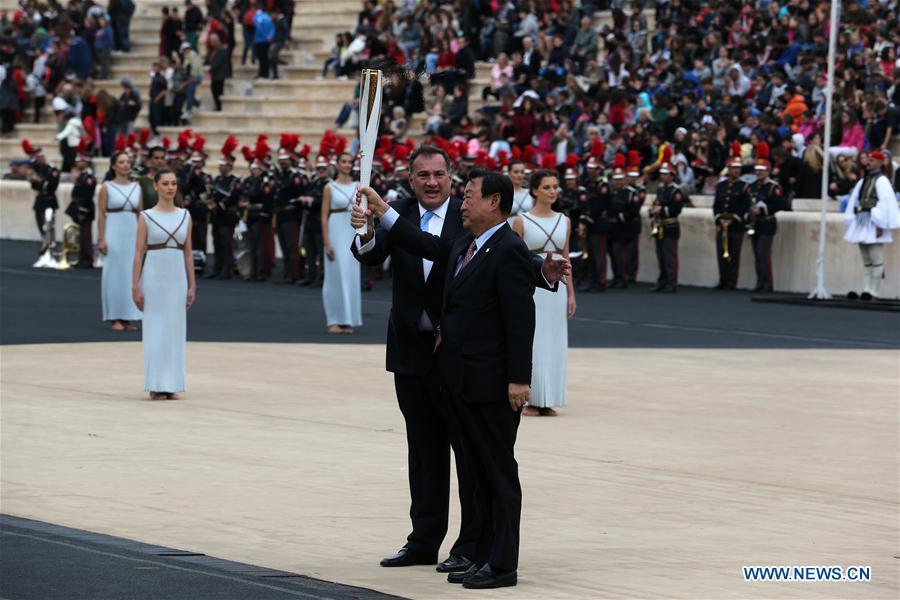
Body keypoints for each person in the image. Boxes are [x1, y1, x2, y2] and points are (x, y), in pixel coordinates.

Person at [355, 169, 568, 589]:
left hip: (492, 384)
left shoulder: (504, 246)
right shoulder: (467, 245)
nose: (462, 203)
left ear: (494, 202)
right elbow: (424, 244)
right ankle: (484, 553)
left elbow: (520, 318)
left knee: (497, 474)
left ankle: (503, 564)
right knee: (476, 472)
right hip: (462, 381)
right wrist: (382, 210)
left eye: (469, 196)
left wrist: (518, 380)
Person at [512, 169, 576, 417]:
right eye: (547, 187)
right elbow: (514, 258)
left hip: (557, 289)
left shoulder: (565, 220)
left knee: (554, 342)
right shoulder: (521, 221)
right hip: (533, 285)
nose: (553, 191)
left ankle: (550, 398)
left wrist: (570, 294)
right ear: (535, 190)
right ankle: (533, 397)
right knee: (534, 340)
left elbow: (567, 257)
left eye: (555, 187)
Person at [132, 168, 196, 400]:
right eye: (165, 183)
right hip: (153, 276)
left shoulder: (185, 215)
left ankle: (172, 383)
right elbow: (138, 253)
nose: (170, 187)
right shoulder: (146, 217)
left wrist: (192, 285)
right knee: (155, 329)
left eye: (173, 183)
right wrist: (135, 286)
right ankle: (156, 384)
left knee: (175, 330)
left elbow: (188, 253)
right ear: (156, 186)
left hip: (177, 276)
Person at [842, 151, 900, 300]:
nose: (868, 163)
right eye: (868, 160)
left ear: (880, 163)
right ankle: (867, 289)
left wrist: (881, 224)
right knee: (867, 259)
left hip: (874, 222)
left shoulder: (882, 181)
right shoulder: (863, 180)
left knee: (876, 258)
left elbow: (886, 204)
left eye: (872, 160)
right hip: (862, 220)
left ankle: (875, 291)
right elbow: (856, 199)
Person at [98, 151, 143, 331]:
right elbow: (101, 215)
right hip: (113, 231)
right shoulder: (106, 187)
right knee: (114, 274)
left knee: (130, 274)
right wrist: (101, 238)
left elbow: (141, 214)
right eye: (121, 162)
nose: (125, 165)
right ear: (114, 166)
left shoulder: (137, 187)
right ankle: (115, 316)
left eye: (127, 162)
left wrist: (143, 238)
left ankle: (128, 316)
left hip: (131, 231)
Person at [321, 152, 361, 333]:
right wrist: (326, 242)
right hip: (335, 232)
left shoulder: (358, 186)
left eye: (349, 162)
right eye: (343, 161)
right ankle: (334, 319)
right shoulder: (329, 187)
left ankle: (348, 320)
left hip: (352, 233)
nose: (346, 164)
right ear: (337, 164)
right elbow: (323, 217)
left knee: (351, 276)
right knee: (335, 276)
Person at [747, 159, 787, 293]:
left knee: (763, 253)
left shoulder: (773, 187)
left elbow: (781, 204)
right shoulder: (752, 186)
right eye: (757, 170)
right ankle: (760, 282)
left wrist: (763, 210)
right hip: (755, 223)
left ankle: (768, 284)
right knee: (757, 255)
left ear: (767, 172)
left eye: (761, 170)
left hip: (767, 223)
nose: (758, 172)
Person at [713, 154, 751, 291]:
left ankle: (731, 282)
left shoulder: (744, 187)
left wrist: (733, 219)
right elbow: (716, 205)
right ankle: (722, 279)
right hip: (721, 225)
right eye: (734, 168)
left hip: (735, 226)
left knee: (734, 255)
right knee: (721, 253)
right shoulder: (721, 186)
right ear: (728, 169)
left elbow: (745, 206)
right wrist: (719, 218)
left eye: (738, 168)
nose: (736, 171)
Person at [648, 163, 685, 293]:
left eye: (665, 174)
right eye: (661, 174)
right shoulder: (660, 189)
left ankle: (671, 282)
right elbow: (657, 203)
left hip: (670, 226)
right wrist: (652, 210)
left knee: (670, 257)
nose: (662, 177)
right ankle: (662, 280)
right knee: (661, 256)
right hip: (659, 226)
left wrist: (661, 210)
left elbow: (676, 209)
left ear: (672, 176)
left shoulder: (676, 191)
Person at [206, 145, 241, 279]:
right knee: (217, 243)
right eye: (220, 165)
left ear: (230, 166)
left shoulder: (235, 180)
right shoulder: (217, 179)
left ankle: (227, 269)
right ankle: (217, 268)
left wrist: (219, 205)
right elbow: (213, 194)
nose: (221, 167)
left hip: (227, 216)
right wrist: (210, 203)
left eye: (224, 165)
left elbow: (234, 196)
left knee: (227, 244)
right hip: (216, 216)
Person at [65, 147, 97, 268]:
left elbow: (87, 196)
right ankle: (81, 258)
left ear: (86, 162)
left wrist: (82, 212)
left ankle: (88, 259)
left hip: (85, 209)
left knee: (86, 236)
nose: (77, 162)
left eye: (80, 160)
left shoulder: (88, 178)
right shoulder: (82, 176)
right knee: (81, 236)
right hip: (78, 206)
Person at [506, 160, 534, 225]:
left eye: (522, 172)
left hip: (527, 228)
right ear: (509, 173)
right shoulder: (503, 193)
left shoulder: (530, 193)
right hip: (509, 230)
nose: (519, 175)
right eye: (516, 172)